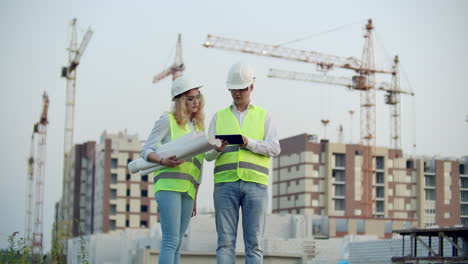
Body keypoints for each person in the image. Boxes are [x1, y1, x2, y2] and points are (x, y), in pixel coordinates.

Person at [205, 62, 281, 263]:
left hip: (255, 185)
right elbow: (206, 155)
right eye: (233, 89)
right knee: (225, 243)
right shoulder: (219, 116)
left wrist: (249, 143)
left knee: (254, 244)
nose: (237, 93)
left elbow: (275, 148)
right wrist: (216, 149)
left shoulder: (265, 116)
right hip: (224, 185)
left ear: (251, 87)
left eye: (241, 89)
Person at [141, 76, 205, 264]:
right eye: (190, 98)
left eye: (197, 97)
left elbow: (198, 166)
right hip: (168, 186)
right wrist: (162, 160)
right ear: (179, 100)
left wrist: (195, 197)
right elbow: (146, 150)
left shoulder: (197, 127)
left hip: (188, 190)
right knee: (170, 241)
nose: (196, 102)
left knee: (177, 243)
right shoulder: (167, 120)